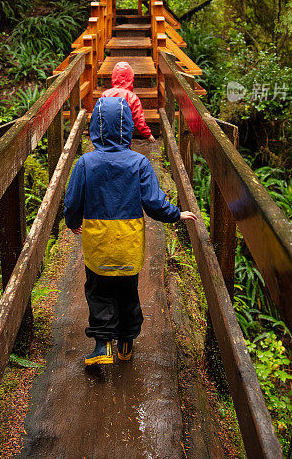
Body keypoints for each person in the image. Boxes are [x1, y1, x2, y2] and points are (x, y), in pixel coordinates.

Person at [64, 96, 197, 365]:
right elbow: (154, 202)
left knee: (99, 291)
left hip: (97, 242)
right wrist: (176, 214)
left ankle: (102, 345)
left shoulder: (85, 163)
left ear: (95, 127)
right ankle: (126, 341)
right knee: (127, 291)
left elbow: (72, 201)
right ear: (128, 127)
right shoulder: (139, 163)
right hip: (129, 242)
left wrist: (72, 221)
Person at [101, 60, 156, 142]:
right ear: (130, 77)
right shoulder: (132, 97)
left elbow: (99, 116)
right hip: (124, 136)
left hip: (106, 135)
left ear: (113, 76)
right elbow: (139, 119)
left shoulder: (105, 94)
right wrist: (148, 134)